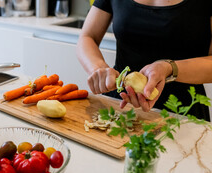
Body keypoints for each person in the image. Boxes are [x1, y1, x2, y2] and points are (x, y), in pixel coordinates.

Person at [76, 0, 212, 121]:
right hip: (120, 104)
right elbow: (87, 37)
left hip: (183, 111)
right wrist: (98, 68)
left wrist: (169, 68)